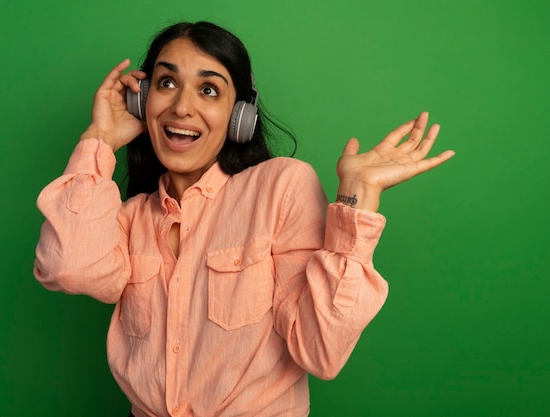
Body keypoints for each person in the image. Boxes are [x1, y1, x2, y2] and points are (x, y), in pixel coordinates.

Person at [34, 21, 454, 417]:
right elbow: (71, 270)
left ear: (240, 115)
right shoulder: (127, 219)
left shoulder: (282, 187)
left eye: (209, 90)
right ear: (142, 102)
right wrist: (100, 139)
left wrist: (357, 199)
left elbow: (321, 350)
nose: (182, 106)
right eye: (166, 83)